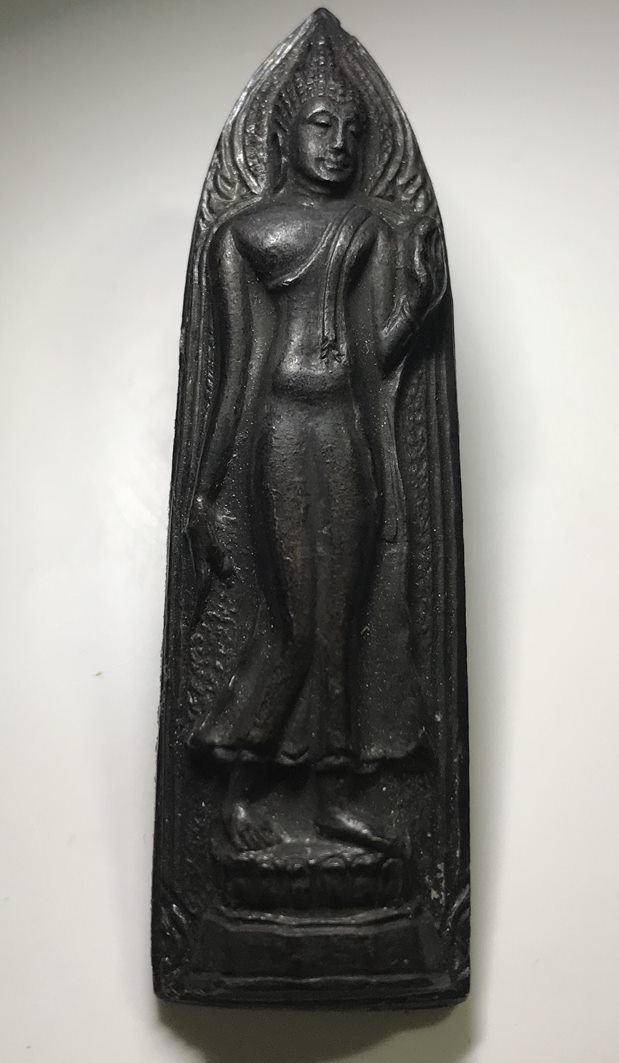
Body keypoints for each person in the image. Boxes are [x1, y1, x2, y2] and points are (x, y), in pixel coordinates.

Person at [186, 30, 446, 852]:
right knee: (298, 622)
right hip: (283, 433)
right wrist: (206, 490)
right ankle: (240, 784)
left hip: (349, 433)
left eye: (352, 132)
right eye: (321, 125)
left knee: (345, 619)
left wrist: (414, 306)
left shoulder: (375, 229)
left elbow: (374, 360)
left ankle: (332, 792)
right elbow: (234, 373)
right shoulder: (244, 234)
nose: (338, 145)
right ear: (283, 135)